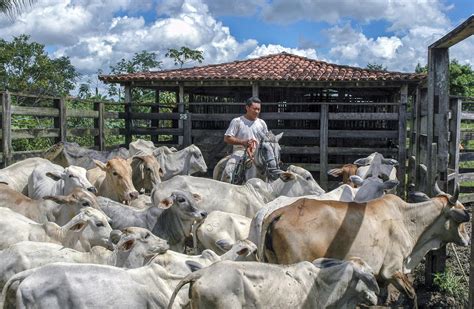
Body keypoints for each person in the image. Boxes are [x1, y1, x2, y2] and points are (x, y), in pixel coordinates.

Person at [221, 96, 268, 183]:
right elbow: (227, 138)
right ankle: (225, 187)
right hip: (240, 151)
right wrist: (243, 142)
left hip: (258, 153)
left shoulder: (262, 123)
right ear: (247, 107)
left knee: (272, 168)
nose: (257, 112)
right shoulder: (237, 121)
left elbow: (266, 140)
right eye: (255, 109)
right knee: (229, 170)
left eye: (259, 109)